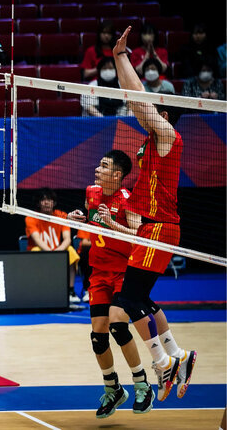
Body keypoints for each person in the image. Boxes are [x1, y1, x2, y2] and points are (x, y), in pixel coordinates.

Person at [112, 25, 196, 402]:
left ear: (163, 114)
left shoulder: (168, 136)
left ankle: (163, 365)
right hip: (151, 228)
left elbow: (137, 100)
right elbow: (137, 99)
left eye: (154, 107)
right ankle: (178, 355)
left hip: (161, 229)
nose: (146, 109)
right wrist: (119, 58)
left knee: (128, 301)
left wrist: (121, 61)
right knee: (142, 299)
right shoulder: (151, 138)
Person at [68, 151, 153, 418]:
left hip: (123, 272)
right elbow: (91, 227)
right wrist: (74, 220)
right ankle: (113, 388)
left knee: (118, 324)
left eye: (103, 166)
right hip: (98, 272)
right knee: (98, 336)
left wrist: (112, 223)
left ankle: (142, 385)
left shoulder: (128, 201)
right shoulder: (92, 193)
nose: (96, 169)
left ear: (117, 175)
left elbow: (141, 237)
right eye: (98, 163)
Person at [25, 188, 81, 303]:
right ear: (38, 203)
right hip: (40, 250)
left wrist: (58, 252)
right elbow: (37, 240)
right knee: (35, 250)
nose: (46, 202)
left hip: (58, 250)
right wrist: (51, 254)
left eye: (49, 200)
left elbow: (67, 239)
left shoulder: (61, 216)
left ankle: (71, 291)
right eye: (43, 200)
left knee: (71, 251)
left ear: (54, 202)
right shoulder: (30, 217)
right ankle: (37, 290)